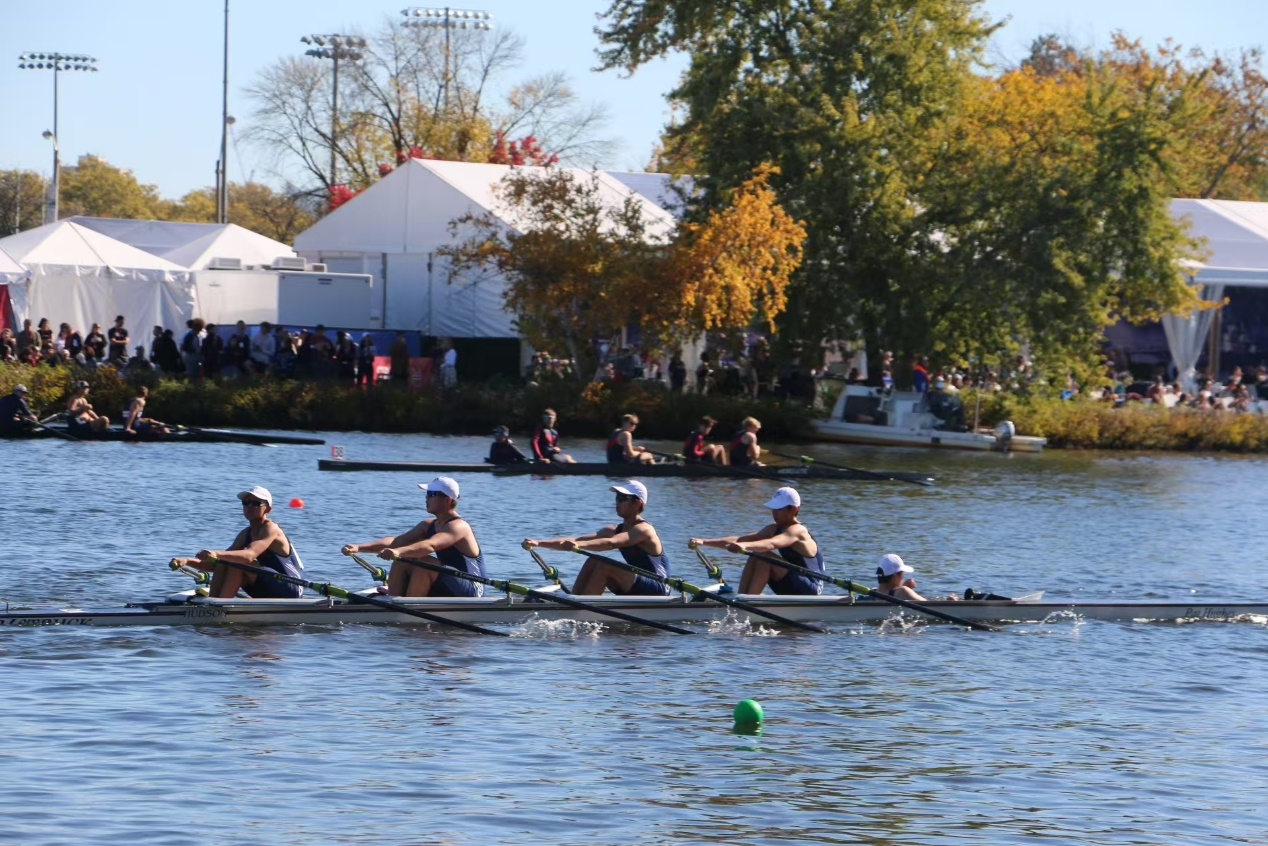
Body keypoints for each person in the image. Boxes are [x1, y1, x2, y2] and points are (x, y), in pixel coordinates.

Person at [341, 477, 485, 598]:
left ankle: (409, 607)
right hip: (448, 582)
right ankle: (392, 600)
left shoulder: (459, 526)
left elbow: (431, 545)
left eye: (431, 494)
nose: (426, 498)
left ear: (447, 500)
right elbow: (396, 542)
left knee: (424, 562)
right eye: (427, 494)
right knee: (404, 559)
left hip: (472, 587)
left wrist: (399, 551)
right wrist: (359, 547)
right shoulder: (428, 525)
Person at [523, 480, 671, 596]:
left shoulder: (644, 530)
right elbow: (577, 540)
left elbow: (610, 543)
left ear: (637, 503)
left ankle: (584, 610)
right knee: (593, 560)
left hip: (658, 587)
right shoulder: (615, 529)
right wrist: (538, 543)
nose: (617, 502)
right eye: (617, 498)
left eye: (622, 498)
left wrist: (579, 546)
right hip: (636, 584)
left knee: (605, 564)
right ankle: (575, 600)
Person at [171, 486, 305, 599]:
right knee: (224, 562)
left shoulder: (271, 529)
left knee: (236, 563)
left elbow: (249, 556)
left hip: (291, 587)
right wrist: (186, 560)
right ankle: (213, 603)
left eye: (256, 503)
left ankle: (219, 607)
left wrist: (216, 553)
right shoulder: (245, 534)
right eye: (246, 502)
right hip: (270, 584)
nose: (249, 506)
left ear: (268, 509)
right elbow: (215, 564)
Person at [690, 486, 824, 595]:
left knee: (763, 555)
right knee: (757, 554)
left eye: (779, 509)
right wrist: (703, 542)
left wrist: (744, 546)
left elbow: (771, 544)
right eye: (773, 508)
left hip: (811, 588)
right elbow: (739, 539)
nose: (774, 513)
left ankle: (748, 603)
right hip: (794, 582)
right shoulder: (774, 528)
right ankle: (742, 597)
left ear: (794, 509)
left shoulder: (798, 531)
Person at [873, 553, 958, 601]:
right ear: (895, 576)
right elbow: (930, 606)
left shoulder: (873, 592)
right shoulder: (903, 591)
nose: (902, 578)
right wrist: (949, 601)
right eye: (902, 574)